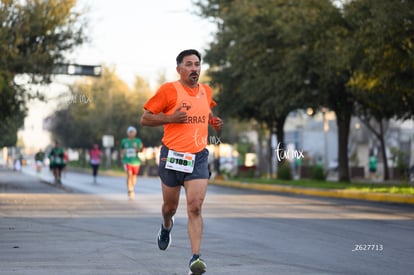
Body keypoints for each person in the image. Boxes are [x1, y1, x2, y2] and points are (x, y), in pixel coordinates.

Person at [141, 49, 223, 275]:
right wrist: (170, 118)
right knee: (170, 207)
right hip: (172, 156)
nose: (194, 68)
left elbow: (203, 113)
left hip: (197, 156)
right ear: (179, 69)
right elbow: (145, 118)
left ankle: (195, 259)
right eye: (189, 64)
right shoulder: (169, 90)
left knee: (195, 207)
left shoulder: (206, 91)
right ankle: (166, 225)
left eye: (197, 64)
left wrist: (213, 121)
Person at [120, 126, 144, 199]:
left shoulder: (138, 141)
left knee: (134, 177)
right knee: (129, 174)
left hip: (136, 161)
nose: (131, 133)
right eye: (130, 132)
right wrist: (121, 154)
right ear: (128, 133)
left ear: (135, 133)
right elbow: (121, 149)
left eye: (132, 132)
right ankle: (130, 190)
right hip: (127, 160)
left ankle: (132, 187)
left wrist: (135, 148)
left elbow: (141, 150)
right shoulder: (124, 141)